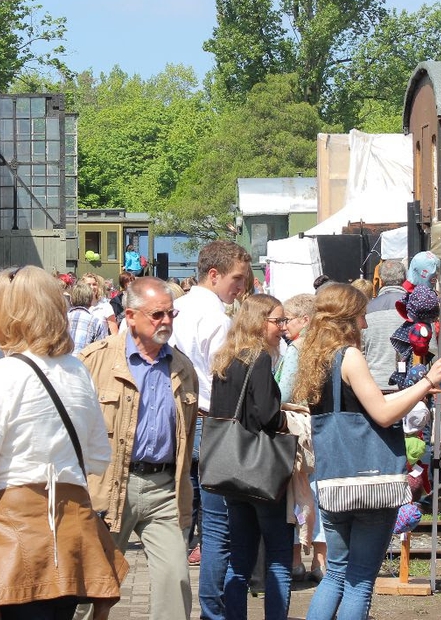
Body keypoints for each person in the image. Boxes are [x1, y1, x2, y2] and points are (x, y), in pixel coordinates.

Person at [0, 266, 126, 619]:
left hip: (15, 534)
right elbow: (99, 456)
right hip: (71, 534)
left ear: (11, 314)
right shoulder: (77, 371)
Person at [293, 283, 441, 620]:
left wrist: (418, 389)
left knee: (336, 574)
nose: (365, 324)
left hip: (335, 482)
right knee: (360, 580)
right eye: (361, 316)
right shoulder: (349, 356)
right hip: (371, 484)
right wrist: (426, 383)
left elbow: (371, 405)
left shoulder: (316, 358)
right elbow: (382, 414)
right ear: (347, 318)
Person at [78, 277, 198, 620]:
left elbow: (187, 435)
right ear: (130, 316)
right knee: (90, 589)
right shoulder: (94, 362)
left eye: (171, 314)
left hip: (164, 490)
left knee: (175, 579)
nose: (166, 321)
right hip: (110, 487)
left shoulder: (182, 368)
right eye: (157, 314)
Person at [169, 239, 252, 619]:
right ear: (214, 275)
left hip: (177, 423)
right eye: (237, 279)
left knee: (179, 524)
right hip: (209, 422)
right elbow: (224, 380)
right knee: (217, 528)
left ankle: (178, 609)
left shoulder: (175, 310)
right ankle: (212, 613)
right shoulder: (217, 319)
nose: (240, 287)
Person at [208, 294, 294, 620]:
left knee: (239, 559)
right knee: (279, 556)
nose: (282, 327)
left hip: (230, 468)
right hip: (261, 470)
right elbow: (268, 415)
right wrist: (290, 419)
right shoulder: (258, 359)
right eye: (277, 320)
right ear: (259, 322)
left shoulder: (225, 358)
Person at [273, 292, 324, 582]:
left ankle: (295, 560)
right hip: (321, 427)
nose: (283, 325)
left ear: (305, 320)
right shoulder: (325, 346)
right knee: (318, 493)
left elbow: (284, 392)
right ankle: (320, 560)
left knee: (297, 493)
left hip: (298, 428)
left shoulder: (296, 349)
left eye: (288, 319)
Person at [364, 260, 408, 392]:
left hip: (374, 384)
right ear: (404, 279)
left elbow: (359, 350)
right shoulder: (416, 306)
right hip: (412, 385)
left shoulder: (366, 309)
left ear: (381, 280)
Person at [67, 282, 108, 357]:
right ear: (90, 300)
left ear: (71, 300)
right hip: (84, 362)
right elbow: (101, 351)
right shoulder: (96, 322)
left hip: (61, 362)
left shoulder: (62, 318)